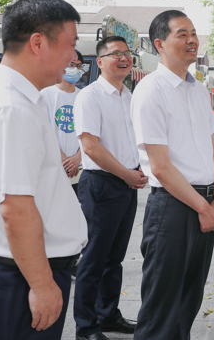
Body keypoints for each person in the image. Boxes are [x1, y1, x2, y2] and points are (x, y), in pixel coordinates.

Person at [0, 0, 87, 340]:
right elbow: (15, 210)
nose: (74, 58)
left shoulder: (23, 100)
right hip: (19, 281)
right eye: (71, 45)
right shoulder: (10, 109)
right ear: (38, 43)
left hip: (23, 274)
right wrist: (43, 285)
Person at [131, 10, 214, 340]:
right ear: (159, 43)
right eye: (181, 34)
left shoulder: (198, 90)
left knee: (189, 298)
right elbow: (159, 166)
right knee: (161, 305)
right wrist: (203, 207)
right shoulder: (150, 90)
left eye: (194, 33)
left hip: (203, 200)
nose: (192, 40)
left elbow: (208, 143)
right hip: (172, 207)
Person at [73, 36, 146, 340]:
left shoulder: (131, 96)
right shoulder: (90, 96)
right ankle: (86, 327)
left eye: (128, 54)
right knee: (93, 259)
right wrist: (127, 174)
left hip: (126, 186)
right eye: (116, 53)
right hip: (101, 185)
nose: (124, 58)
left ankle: (108, 315)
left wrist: (139, 169)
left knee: (114, 258)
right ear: (99, 61)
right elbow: (91, 147)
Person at [41, 50, 87, 195]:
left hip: (79, 169)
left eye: (79, 66)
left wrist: (77, 158)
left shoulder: (84, 97)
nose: (76, 69)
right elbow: (43, 131)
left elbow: (90, 133)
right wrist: (64, 159)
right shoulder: (45, 94)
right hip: (52, 166)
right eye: (72, 64)